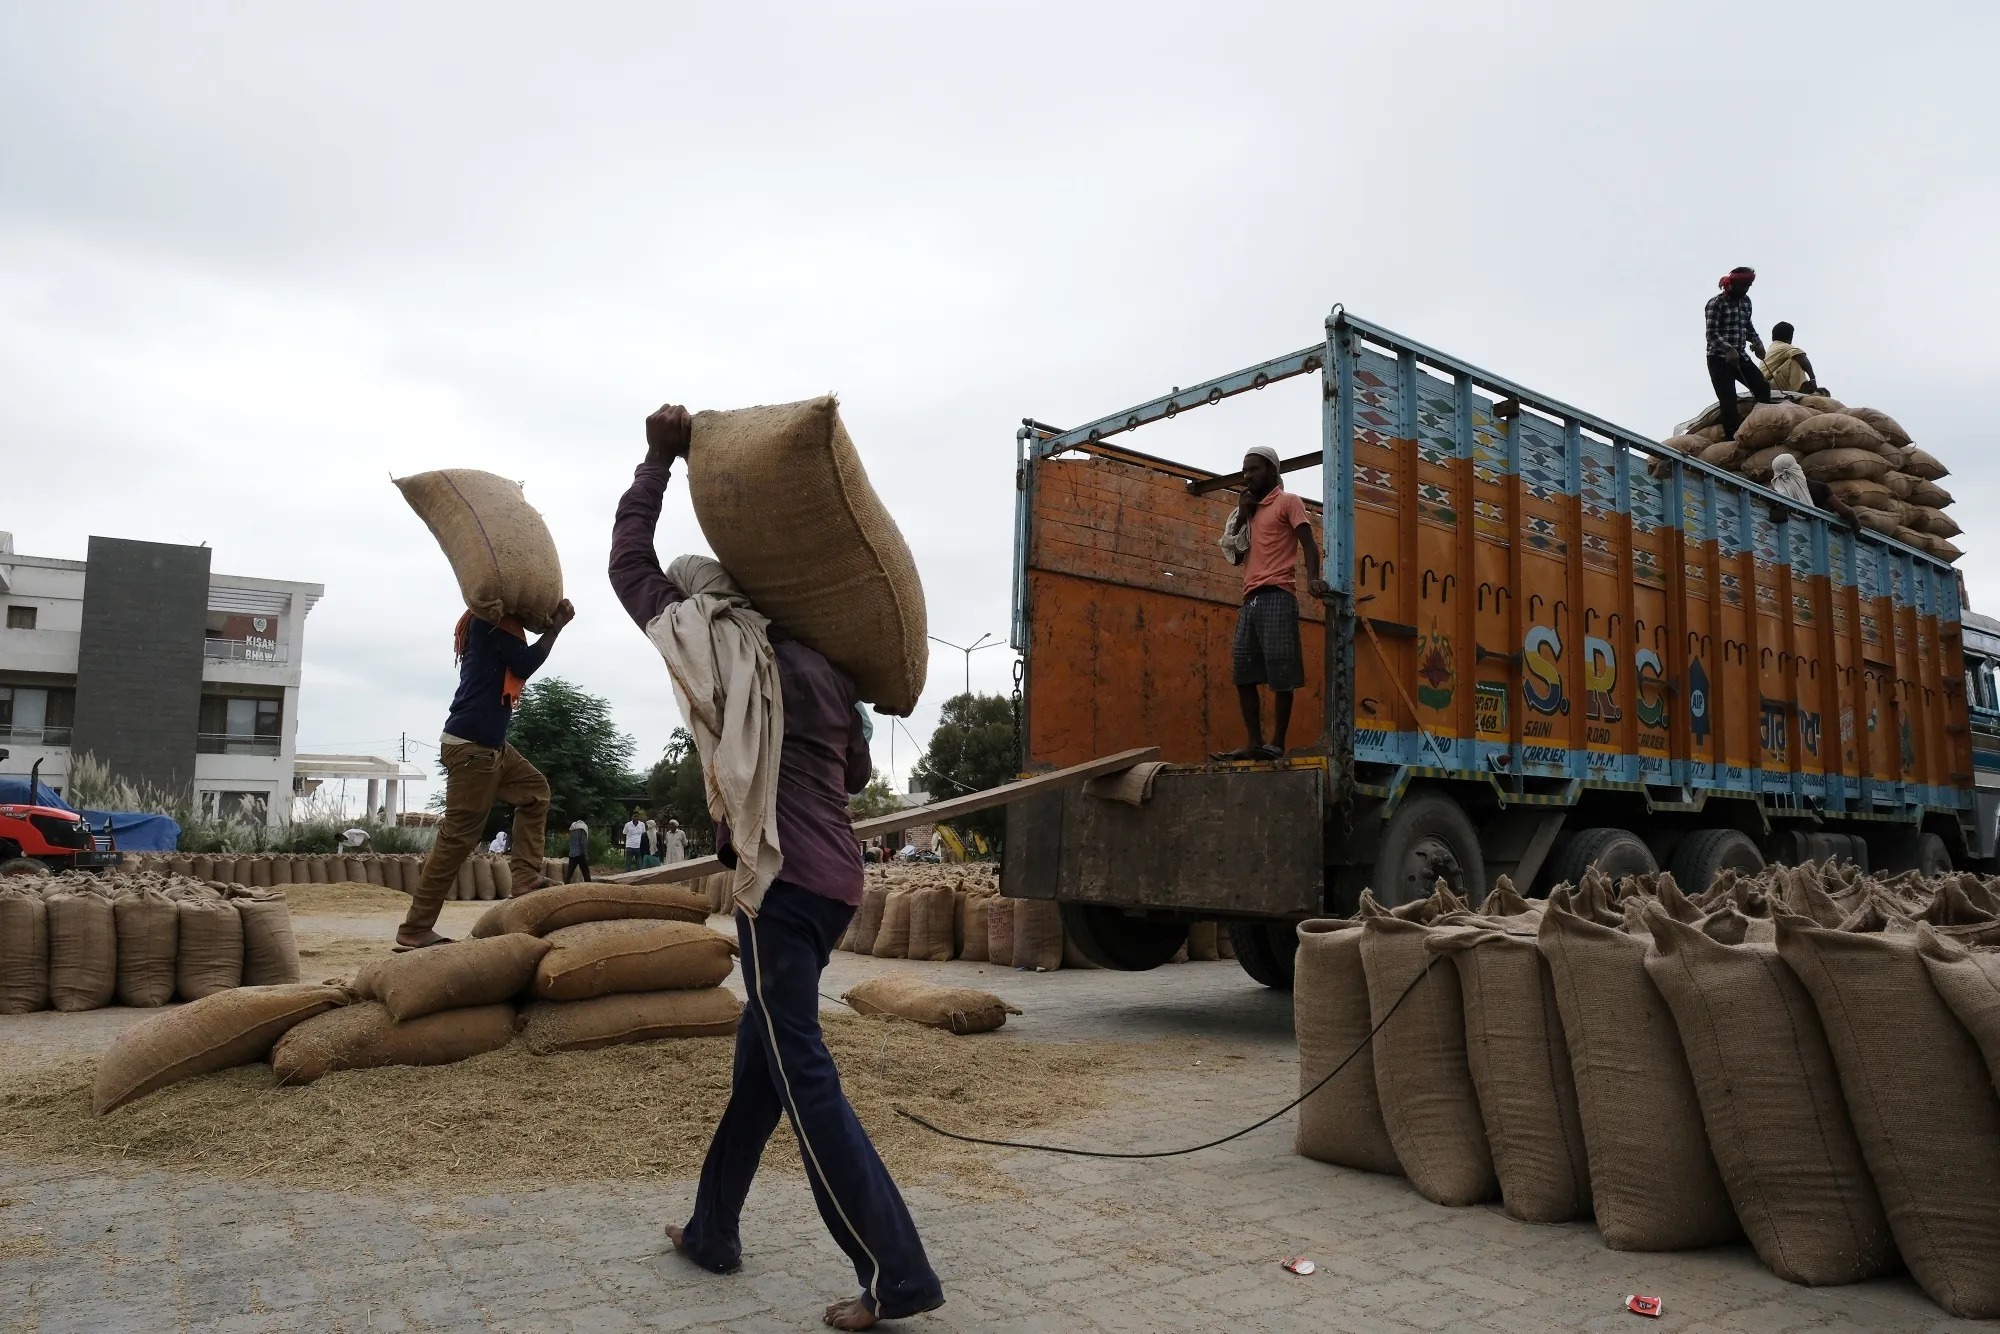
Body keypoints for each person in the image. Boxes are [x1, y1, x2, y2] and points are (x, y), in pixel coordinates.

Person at [614, 402, 943, 1330]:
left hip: (783, 884)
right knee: (761, 1064)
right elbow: (854, 773)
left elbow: (627, 566)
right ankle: (713, 1228)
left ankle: (897, 1270)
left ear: (708, 599)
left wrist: (655, 462)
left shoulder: (723, 647)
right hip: (837, 887)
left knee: (801, 1072)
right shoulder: (826, 669)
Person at [400, 599, 573, 951]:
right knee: (457, 840)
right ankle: (415, 929)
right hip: (472, 748)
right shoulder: (489, 623)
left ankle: (524, 877)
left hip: (492, 746)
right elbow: (524, 664)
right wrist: (555, 627)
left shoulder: (497, 626)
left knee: (534, 791)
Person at [1214, 445, 1328, 760]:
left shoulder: (1288, 502)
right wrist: (1242, 518)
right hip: (1249, 598)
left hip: (1279, 593)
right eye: (1245, 470)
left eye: (1254, 469)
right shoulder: (1245, 513)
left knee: (1282, 672)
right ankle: (1254, 742)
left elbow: (1308, 542)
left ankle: (1276, 743)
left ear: (1272, 472)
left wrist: (1313, 579)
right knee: (1243, 672)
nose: (1247, 476)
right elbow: (1235, 556)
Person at [1705, 266, 1773, 441]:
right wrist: (1728, 349)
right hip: (1718, 359)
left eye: (1748, 286)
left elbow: (1748, 327)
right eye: (1743, 285)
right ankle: (1732, 439)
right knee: (1728, 401)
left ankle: (1761, 425)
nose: (1746, 289)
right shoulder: (1715, 304)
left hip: (1740, 355)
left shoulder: (1746, 302)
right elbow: (1711, 334)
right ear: (1732, 284)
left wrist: (1757, 343)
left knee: (1763, 388)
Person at [1769, 453, 1858, 527]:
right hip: (1821, 535)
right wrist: (1856, 524)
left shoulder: (1774, 495)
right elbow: (1844, 511)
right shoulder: (1819, 487)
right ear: (1796, 467)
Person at [1761, 321, 1819, 394]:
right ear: (1790, 337)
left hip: (1766, 384)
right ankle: (1801, 390)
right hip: (1769, 385)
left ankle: (1801, 386)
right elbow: (1801, 357)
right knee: (1794, 361)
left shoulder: (1774, 347)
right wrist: (1812, 378)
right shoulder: (1782, 347)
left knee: (1794, 358)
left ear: (1772, 337)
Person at [566, 817, 592, 883]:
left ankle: (565, 885)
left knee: (569, 872)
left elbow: (570, 842)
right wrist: (586, 855)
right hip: (580, 854)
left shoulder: (572, 828)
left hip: (572, 853)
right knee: (586, 871)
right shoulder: (583, 828)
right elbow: (583, 843)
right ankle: (589, 886)